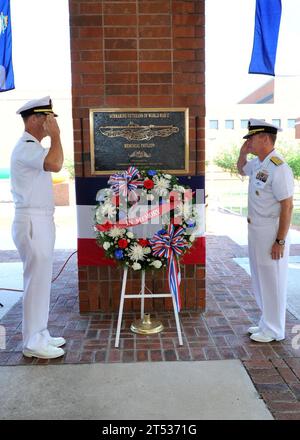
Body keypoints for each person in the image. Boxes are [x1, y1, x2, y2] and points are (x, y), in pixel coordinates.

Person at [10, 96, 66, 359]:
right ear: (34, 119)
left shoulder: (32, 147)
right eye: (48, 119)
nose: (51, 123)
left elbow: (54, 163)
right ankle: (32, 342)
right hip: (33, 221)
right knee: (35, 282)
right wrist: (56, 137)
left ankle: (40, 333)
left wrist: (53, 136)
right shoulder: (27, 147)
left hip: (40, 219)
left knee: (41, 281)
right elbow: (55, 164)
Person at [237, 118, 294, 343]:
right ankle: (266, 322)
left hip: (271, 232)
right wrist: (243, 153)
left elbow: (287, 206)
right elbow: (242, 170)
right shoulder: (260, 163)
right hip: (256, 230)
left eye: (251, 138)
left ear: (264, 138)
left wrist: (279, 241)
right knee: (260, 278)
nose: (249, 141)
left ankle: (275, 329)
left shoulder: (279, 167)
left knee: (273, 279)